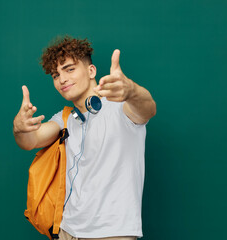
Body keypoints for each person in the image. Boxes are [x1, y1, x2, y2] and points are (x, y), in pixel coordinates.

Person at [13, 36, 156, 240]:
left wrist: (132, 91)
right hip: (67, 231)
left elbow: (148, 109)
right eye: (55, 75)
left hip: (112, 233)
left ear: (91, 71)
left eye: (69, 69)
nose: (61, 79)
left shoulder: (121, 108)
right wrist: (19, 128)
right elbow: (29, 142)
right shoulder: (64, 119)